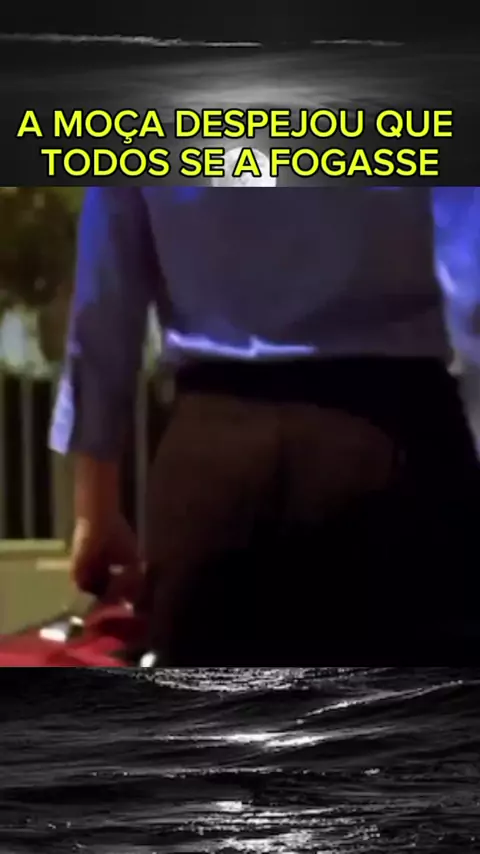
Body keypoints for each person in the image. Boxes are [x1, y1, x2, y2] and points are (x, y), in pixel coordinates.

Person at [49, 186, 480, 663]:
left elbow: (103, 309)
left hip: (213, 475)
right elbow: (473, 288)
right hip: (397, 454)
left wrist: (96, 504)